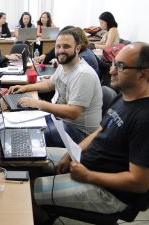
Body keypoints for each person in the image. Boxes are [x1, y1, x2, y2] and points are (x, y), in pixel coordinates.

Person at [33, 42, 149, 224]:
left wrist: (88, 176)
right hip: (87, 164)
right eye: (114, 64)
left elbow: (139, 183)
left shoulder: (144, 118)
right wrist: (72, 152)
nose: (111, 71)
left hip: (108, 192)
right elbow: (102, 129)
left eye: (121, 67)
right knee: (31, 156)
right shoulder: (125, 95)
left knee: (28, 192)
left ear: (144, 73)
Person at [9, 30, 102, 147]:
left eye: (66, 46)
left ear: (77, 49)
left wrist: (37, 103)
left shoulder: (82, 74)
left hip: (79, 132)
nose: (61, 50)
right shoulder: (65, 65)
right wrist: (25, 88)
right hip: (60, 120)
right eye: (58, 46)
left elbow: (73, 112)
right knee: (23, 123)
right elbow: (49, 84)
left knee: (29, 139)